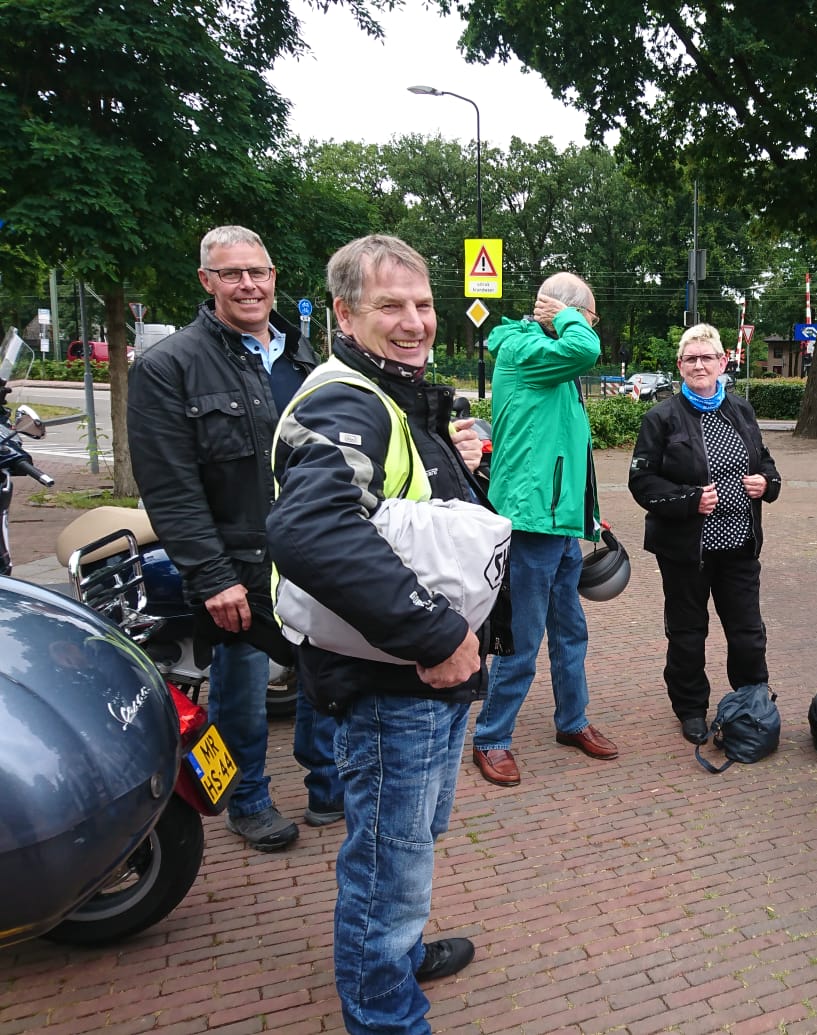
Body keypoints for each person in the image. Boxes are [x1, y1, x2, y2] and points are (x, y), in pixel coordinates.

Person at [266, 234, 492, 1035]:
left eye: (423, 304)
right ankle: (386, 1012)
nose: (414, 321)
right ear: (344, 313)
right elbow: (311, 526)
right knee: (386, 865)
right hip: (393, 681)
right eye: (390, 305)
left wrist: (466, 468)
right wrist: (435, 634)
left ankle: (394, 955)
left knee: (412, 843)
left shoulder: (397, 393)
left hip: (422, 681)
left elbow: (413, 521)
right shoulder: (345, 399)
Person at [129, 225, 337, 851]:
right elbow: (171, 488)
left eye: (259, 272)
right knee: (239, 693)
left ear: (275, 278)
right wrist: (212, 576)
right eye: (231, 274)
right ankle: (245, 797)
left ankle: (327, 784)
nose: (248, 284)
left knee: (324, 673)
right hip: (237, 565)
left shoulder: (307, 359)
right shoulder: (169, 366)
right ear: (207, 282)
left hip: (313, 554)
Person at [470, 273, 617, 787]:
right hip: (531, 521)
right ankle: (491, 737)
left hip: (559, 523)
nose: (591, 326)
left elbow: (564, 447)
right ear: (559, 312)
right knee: (522, 639)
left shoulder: (550, 359)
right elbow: (586, 348)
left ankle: (571, 721)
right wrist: (568, 318)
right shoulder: (527, 350)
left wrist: (586, 515)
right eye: (588, 315)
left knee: (571, 632)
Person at [628, 324, 782, 744]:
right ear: (680, 366)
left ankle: (751, 701)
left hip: (739, 546)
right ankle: (691, 708)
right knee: (688, 633)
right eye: (691, 358)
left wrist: (766, 485)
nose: (699, 364)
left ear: (722, 363)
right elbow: (642, 484)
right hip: (685, 552)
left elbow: (766, 463)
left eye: (707, 357)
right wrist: (688, 500)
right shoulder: (661, 417)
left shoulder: (741, 410)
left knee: (748, 631)